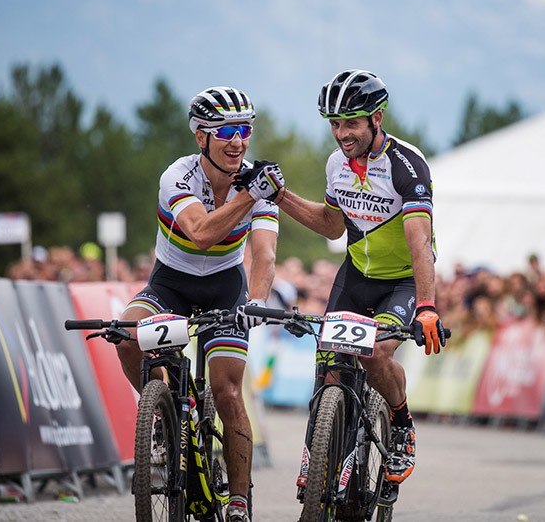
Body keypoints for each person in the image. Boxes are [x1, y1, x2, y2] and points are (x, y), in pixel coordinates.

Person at [255, 70, 446, 486]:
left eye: (351, 123)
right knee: (328, 362)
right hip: (356, 276)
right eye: (335, 124)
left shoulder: (407, 165)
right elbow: (331, 226)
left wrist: (427, 307)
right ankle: (322, 452)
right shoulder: (336, 165)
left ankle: (400, 426)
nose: (342, 133)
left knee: (375, 354)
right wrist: (280, 196)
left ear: (377, 118)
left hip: (404, 281)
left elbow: (418, 245)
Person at [116, 86, 284, 522]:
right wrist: (250, 194)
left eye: (245, 130)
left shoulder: (258, 180)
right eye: (226, 130)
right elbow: (201, 232)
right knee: (126, 338)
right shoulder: (178, 176)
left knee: (228, 394)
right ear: (200, 137)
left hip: (226, 287)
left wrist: (258, 301)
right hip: (170, 284)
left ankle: (240, 503)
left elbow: (263, 255)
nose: (238, 141)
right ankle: (165, 413)